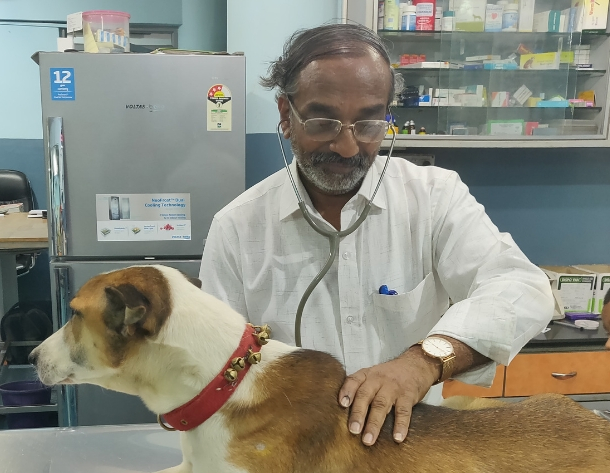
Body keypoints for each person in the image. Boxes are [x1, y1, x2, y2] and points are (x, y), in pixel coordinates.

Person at [199, 23, 553, 446]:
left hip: (412, 451)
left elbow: (521, 286)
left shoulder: (435, 198)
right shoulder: (237, 229)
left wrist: (423, 362)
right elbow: (216, 368)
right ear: (285, 116)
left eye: (368, 124)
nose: (347, 147)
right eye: (323, 121)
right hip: (287, 460)